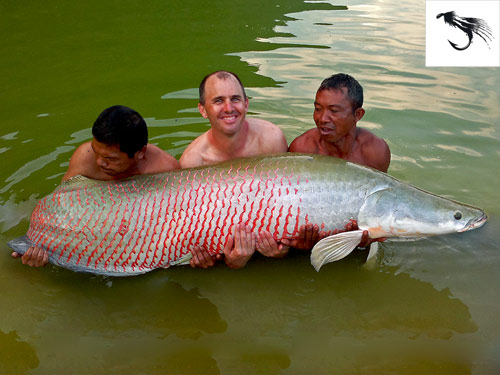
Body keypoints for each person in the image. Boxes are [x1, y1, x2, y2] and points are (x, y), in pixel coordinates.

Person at [12, 105, 181, 267]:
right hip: (94, 225)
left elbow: (173, 224)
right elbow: (63, 208)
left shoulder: (164, 170)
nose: (100, 162)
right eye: (96, 151)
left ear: (140, 153)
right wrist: (38, 246)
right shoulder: (85, 158)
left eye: (111, 159)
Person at [180, 71, 290, 268]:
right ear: (203, 110)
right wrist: (214, 258)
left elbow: (284, 201)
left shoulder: (271, 139)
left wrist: (284, 248)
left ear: (246, 104)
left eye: (235, 99)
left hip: (267, 238)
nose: (229, 108)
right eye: (218, 101)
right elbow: (200, 227)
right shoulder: (194, 161)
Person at [289, 73, 390, 172]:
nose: (323, 119)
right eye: (318, 109)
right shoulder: (302, 149)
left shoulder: (376, 152)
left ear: (358, 114)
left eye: (334, 111)